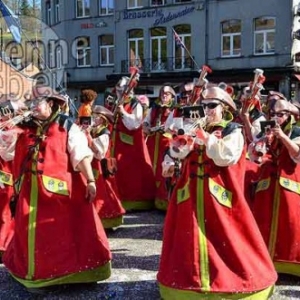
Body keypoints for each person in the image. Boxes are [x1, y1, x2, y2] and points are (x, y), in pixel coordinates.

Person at [157, 86, 277, 299]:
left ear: (224, 109)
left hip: (222, 199)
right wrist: (178, 146)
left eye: (211, 106)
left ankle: (233, 282)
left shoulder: (233, 130)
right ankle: (188, 283)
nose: (206, 110)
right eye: (203, 106)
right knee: (187, 238)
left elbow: (225, 156)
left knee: (230, 240)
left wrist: (204, 136)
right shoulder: (194, 127)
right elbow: (178, 152)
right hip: (190, 196)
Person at [0, 85, 111, 292]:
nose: (32, 107)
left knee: (65, 235)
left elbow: (81, 154)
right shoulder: (24, 127)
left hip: (62, 195)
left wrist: (90, 181)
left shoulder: (67, 126)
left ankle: (74, 273)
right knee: (32, 235)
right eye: (30, 103)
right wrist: (6, 131)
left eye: (37, 103)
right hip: (30, 194)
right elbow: (7, 154)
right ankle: (34, 274)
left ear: (50, 104)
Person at [248, 95, 300, 276]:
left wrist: (282, 136)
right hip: (267, 183)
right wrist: (260, 147)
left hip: (290, 184)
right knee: (263, 220)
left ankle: (291, 264)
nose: (277, 117)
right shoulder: (266, 129)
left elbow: (297, 154)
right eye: (274, 114)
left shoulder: (296, 130)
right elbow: (254, 156)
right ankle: (265, 261)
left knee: (291, 223)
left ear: (289, 115)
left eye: (281, 114)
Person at [111, 76, 156, 211]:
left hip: (131, 147)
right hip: (118, 144)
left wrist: (122, 112)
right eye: (118, 91)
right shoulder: (118, 102)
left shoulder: (135, 104)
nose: (119, 93)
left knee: (133, 174)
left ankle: (136, 201)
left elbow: (134, 124)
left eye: (121, 91)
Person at [87, 105, 125, 229]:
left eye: (96, 117)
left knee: (103, 191)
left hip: (100, 165)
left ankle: (105, 219)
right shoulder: (92, 130)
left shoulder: (104, 133)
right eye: (93, 116)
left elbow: (99, 152)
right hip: (91, 164)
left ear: (102, 119)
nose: (93, 119)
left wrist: (88, 140)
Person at [143, 85, 176, 211]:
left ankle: (164, 201)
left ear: (172, 96)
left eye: (167, 94)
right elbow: (147, 119)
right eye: (162, 93)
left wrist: (164, 128)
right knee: (151, 168)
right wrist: (146, 125)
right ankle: (151, 198)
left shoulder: (174, 108)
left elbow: (172, 125)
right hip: (152, 142)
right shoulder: (154, 107)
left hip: (165, 142)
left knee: (164, 170)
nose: (164, 96)